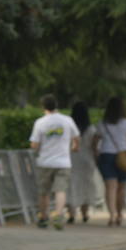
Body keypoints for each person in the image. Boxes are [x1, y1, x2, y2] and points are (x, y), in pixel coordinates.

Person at [29, 95, 80, 230]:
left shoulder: (40, 122)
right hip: (63, 161)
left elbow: (34, 144)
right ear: (56, 105)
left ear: (43, 107)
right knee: (60, 190)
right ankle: (58, 214)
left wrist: (38, 148)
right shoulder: (67, 120)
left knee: (44, 191)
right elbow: (76, 137)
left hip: (45, 162)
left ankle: (43, 217)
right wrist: (75, 146)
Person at [94, 96, 126, 227]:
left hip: (106, 155)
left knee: (110, 187)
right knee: (121, 188)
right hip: (124, 156)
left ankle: (112, 214)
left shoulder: (102, 123)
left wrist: (96, 155)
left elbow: (94, 142)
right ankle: (120, 213)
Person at [67, 102, 98, 224]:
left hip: (72, 158)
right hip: (87, 159)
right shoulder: (91, 129)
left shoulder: (70, 128)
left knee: (71, 185)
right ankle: (85, 213)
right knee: (86, 185)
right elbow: (94, 146)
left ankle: (71, 214)